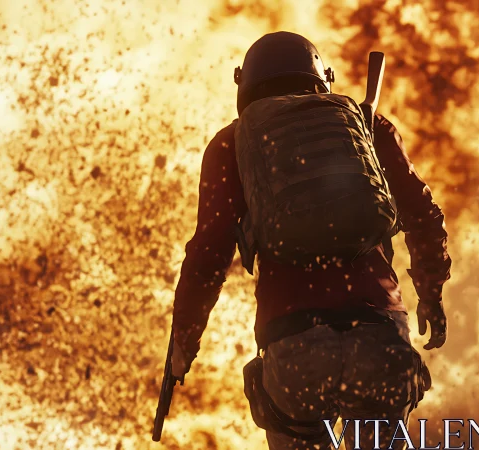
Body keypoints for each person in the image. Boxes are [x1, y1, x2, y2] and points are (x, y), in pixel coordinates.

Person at [169, 31, 451, 450]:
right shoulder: (365, 125)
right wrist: (431, 294)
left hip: (295, 352)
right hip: (381, 343)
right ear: (322, 78)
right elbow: (423, 213)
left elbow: (208, 256)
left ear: (244, 83)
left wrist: (183, 343)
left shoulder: (232, 143)